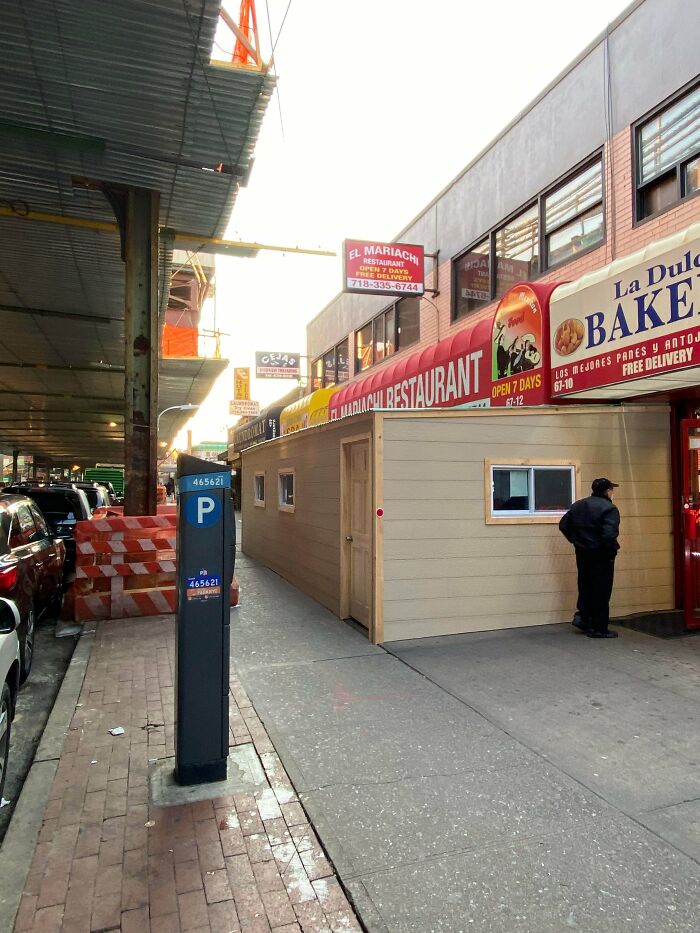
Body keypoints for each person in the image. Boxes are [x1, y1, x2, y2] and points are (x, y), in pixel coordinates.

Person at [558, 478, 621, 639]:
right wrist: (611, 551)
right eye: (611, 490)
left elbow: (563, 525)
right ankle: (599, 628)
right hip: (601, 556)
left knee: (585, 586)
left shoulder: (578, 505)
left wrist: (576, 541)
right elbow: (609, 535)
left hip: (582, 553)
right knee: (602, 591)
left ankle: (583, 618)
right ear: (608, 491)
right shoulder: (609, 509)